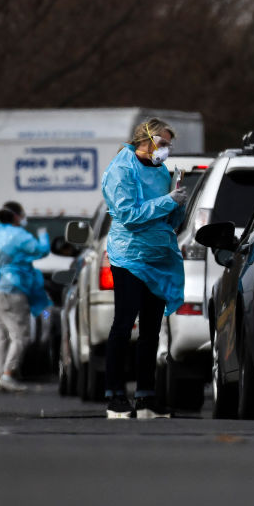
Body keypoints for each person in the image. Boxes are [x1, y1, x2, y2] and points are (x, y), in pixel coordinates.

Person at [101, 118, 189, 419]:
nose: (166, 150)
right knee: (124, 325)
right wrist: (168, 201)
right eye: (162, 143)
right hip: (129, 257)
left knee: (152, 330)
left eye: (168, 145)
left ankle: (145, 397)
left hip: (158, 257)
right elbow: (128, 214)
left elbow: (169, 221)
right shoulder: (121, 169)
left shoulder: (161, 170)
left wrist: (178, 204)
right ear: (147, 139)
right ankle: (114, 396)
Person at [0, 202, 50, 393]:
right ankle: (8, 375)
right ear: (16, 217)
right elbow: (41, 251)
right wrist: (44, 235)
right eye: (22, 215)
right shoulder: (20, 236)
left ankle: (0, 374)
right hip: (13, 289)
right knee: (20, 336)